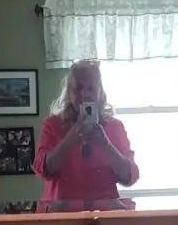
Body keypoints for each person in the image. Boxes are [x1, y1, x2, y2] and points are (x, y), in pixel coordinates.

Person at [34, 60, 139, 212]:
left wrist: (106, 145)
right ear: (69, 92)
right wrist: (69, 140)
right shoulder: (52, 125)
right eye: (78, 88)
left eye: (91, 88)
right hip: (61, 213)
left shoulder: (115, 127)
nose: (84, 94)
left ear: (100, 92)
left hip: (104, 214)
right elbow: (43, 170)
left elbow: (129, 176)